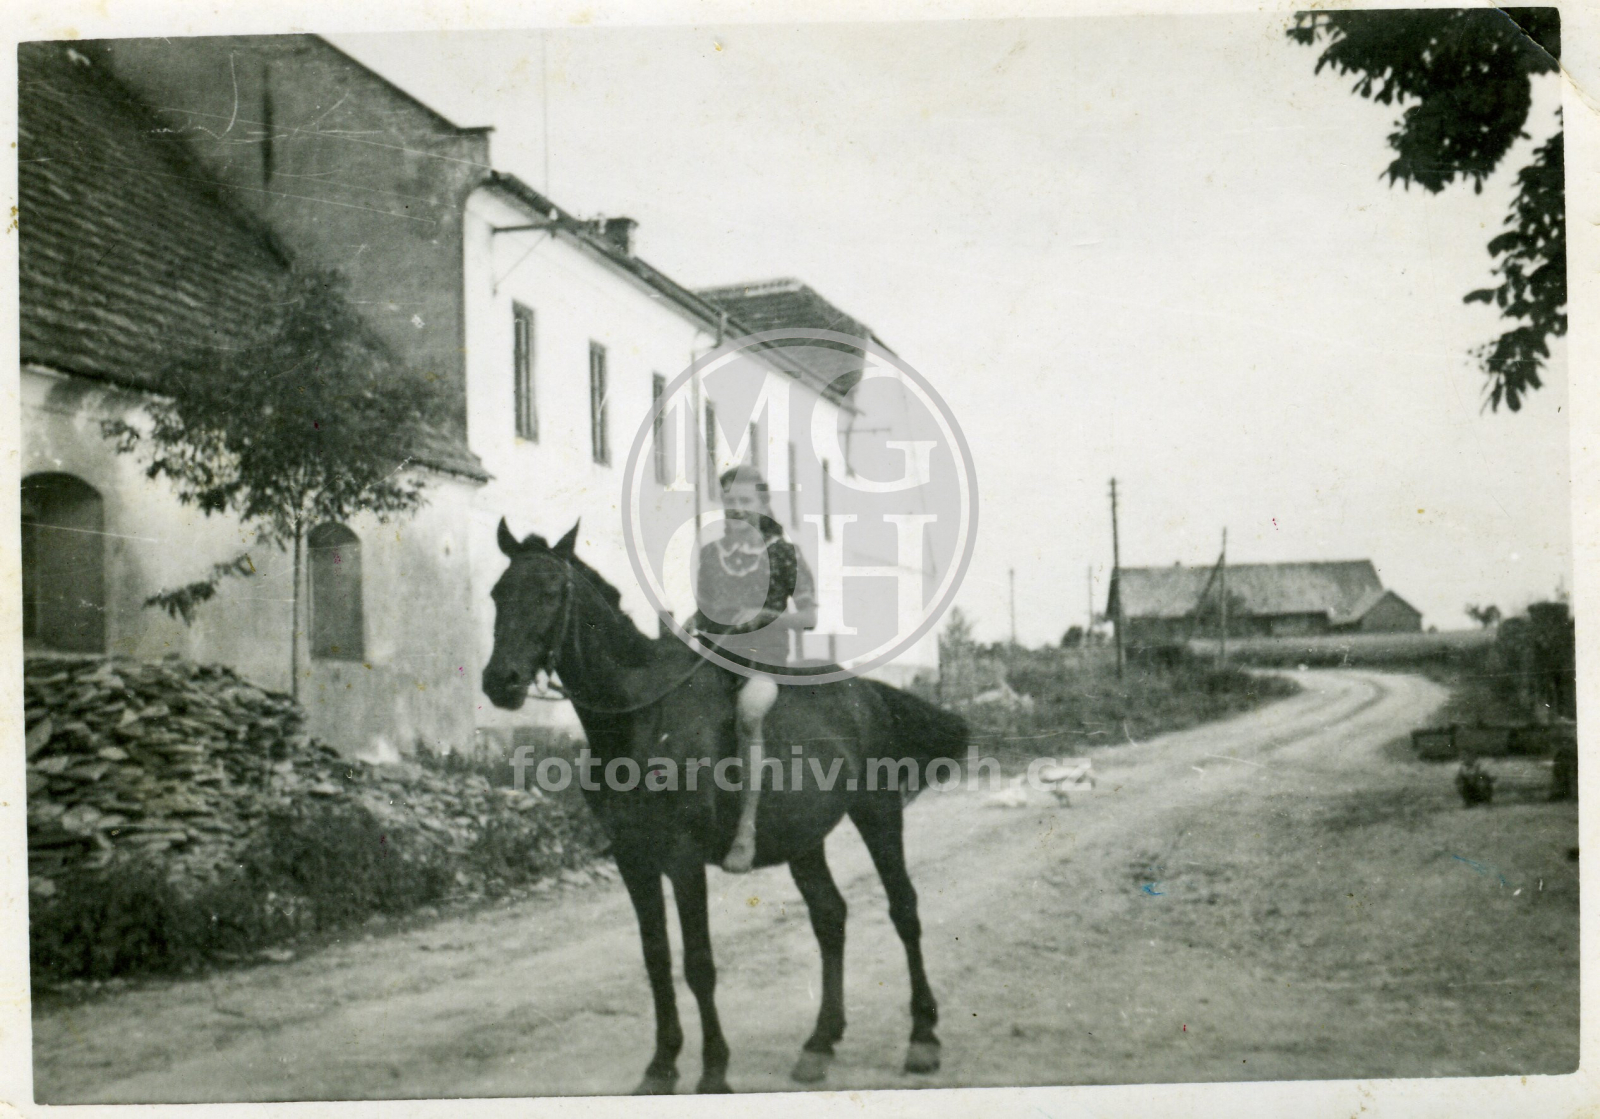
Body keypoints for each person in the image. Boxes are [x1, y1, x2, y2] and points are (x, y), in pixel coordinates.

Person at [690, 464, 817, 873]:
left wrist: (765, 615)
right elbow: (706, 610)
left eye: (746, 501)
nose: (737, 509)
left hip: (764, 660)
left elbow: (809, 617)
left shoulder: (785, 553)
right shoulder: (710, 554)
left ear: (763, 504)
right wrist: (691, 622)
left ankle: (746, 827)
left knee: (749, 714)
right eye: (729, 502)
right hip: (714, 657)